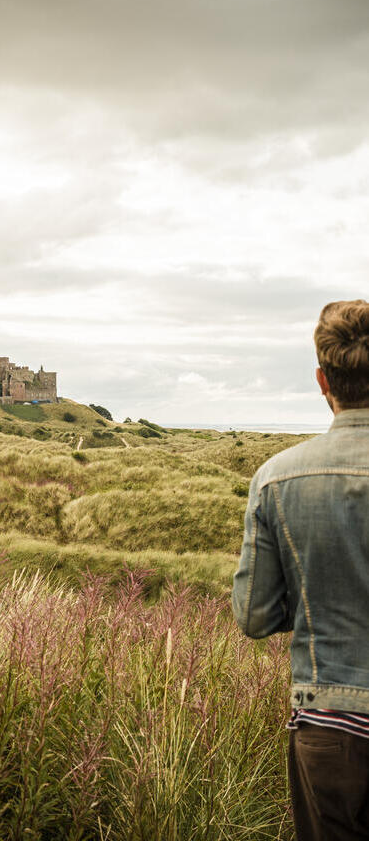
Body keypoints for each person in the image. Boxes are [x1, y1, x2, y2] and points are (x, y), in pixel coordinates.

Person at [232, 299, 369, 841]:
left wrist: (316, 592)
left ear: (322, 380)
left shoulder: (276, 479)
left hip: (329, 722)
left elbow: (254, 616)